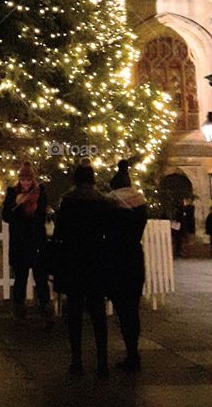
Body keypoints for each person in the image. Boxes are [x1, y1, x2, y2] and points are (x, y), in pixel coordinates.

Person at [52, 164, 113, 377]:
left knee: (75, 312)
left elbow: (60, 232)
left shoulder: (69, 201)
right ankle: (102, 361)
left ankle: (76, 359)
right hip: (96, 261)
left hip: (74, 261)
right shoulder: (102, 201)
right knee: (98, 312)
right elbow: (108, 231)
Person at [106, 160, 147, 371]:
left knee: (123, 310)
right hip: (135, 258)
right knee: (133, 308)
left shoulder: (111, 206)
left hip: (116, 260)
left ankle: (131, 353)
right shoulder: (140, 206)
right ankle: (133, 351)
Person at [1, 161, 54, 327]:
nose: (25, 183)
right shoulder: (13, 193)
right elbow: (6, 216)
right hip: (19, 243)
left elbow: (41, 215)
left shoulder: (40, 193)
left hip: (36, 241)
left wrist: (37, 209)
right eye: (22, 180)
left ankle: (46, 311)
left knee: (40, 279)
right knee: (20, 279)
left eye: (28, 180)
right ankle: (19, 312)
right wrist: (18, 204)